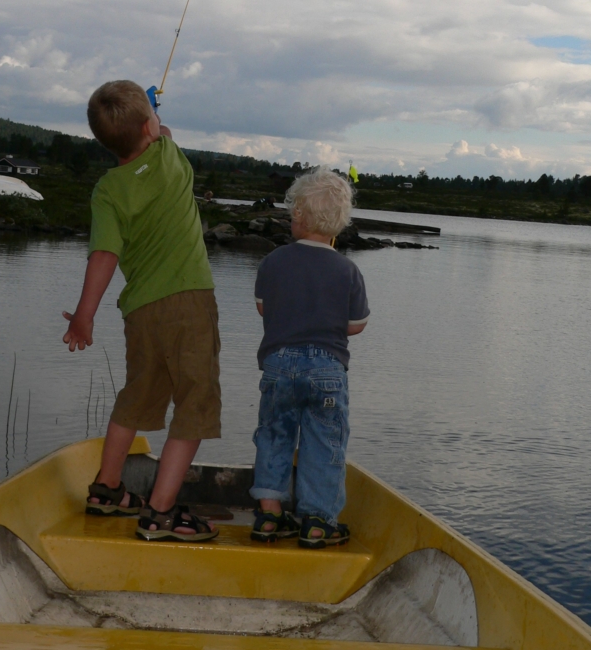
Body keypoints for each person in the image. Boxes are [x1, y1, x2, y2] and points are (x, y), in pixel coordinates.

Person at [63, 80, 221, 543]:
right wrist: (152, 112)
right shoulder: (172, 160)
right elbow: (164, 131)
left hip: (140, 313)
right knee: (195, 404)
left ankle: (107, 489)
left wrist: (83, 315)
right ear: (150, 127)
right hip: (190, 302)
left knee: (137, 395)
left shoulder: (107, 191)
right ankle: (161, 511)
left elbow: (104, 256)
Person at [250, 167, 370, 548]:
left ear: (298, 217)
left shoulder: (273, 262)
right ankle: (318, 520)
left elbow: (263, 309)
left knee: (274, 434)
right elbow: (356, 326)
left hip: (279, 364)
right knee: (324, 441)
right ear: (339, 223)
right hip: (327, 371)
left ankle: (269, 514)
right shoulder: (348, 270)